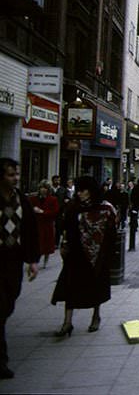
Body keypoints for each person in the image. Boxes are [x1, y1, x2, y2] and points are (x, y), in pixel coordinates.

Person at [51, 176, 117, 336]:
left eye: (83, 190)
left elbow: (112, 232)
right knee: (70, 285)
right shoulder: (73, 207)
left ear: (92, 191)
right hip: (76, 252)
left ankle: (96, 316)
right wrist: (64, 245)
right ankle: (67, 322)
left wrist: (109, 252)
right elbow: (66, 228)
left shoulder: (106, 208)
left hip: (98, 254)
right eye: (78, 190)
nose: (80, 193)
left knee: (96, 286)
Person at [0, 158, 39, 379]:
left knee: (9, 302)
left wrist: (32, 260)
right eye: (10, 174)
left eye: (16, 174)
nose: (15, 178)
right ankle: (1, 361)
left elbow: (30, 230)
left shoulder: (20, 200)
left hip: (13, 259)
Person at [29, 180, 59, 269]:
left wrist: (43, 212)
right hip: (37, 224)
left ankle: (45, 262)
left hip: (47, 225)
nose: (43, 190)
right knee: (37, 244)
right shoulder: (33, 198)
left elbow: (55, 212)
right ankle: (36, 261)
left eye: (45, 188)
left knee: (47, 245)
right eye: (41, 187)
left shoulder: (53, 199)